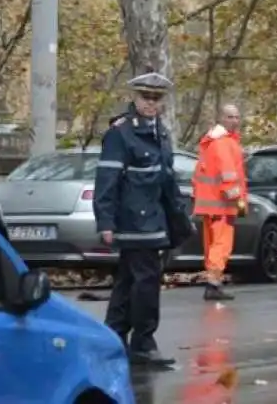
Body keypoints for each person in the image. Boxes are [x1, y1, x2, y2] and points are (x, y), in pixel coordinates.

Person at [93, 71, 189, 366]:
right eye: (145, 97)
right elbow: (106, 181)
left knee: (128, 280)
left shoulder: (160, 132)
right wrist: (105, 222)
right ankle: (143, 343)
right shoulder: (120, 134)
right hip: (134, 223)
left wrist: (180, 217)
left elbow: (167, 181)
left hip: (155, 221)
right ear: (135, 98)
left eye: (156, 98)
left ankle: (113, 336)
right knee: (146, 282)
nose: (150, 103)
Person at [193, 104, 247, 301]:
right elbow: (229, 176)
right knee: (221, 246)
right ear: (221, 119)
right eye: (230, 117)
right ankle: (214, 284)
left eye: (237, 117)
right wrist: (238, 202)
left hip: (210, 206)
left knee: (212, 246)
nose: (235, 121)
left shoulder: (211, 143)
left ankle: (213, 282)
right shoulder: (224, 143)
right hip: (223, 206)